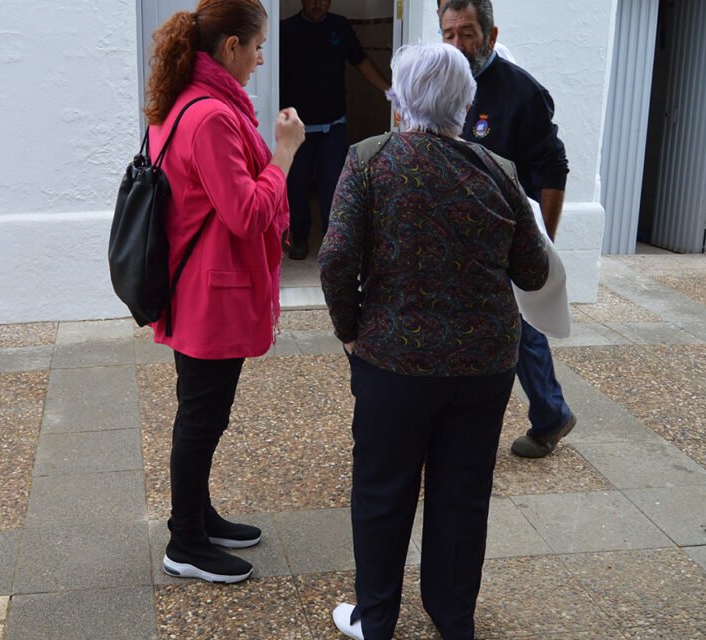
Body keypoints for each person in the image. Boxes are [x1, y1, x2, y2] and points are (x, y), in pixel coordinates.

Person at [319, 43, 550, 640]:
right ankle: (453, 620)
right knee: (463, 495)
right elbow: (533, 272)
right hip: (484, 365)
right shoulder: (499, 171)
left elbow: (336, 258)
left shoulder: (369, 161)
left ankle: (377, 619)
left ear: (399, 98)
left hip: (392, 361)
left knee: (382, 491)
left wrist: (350, 329)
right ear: (466, 102)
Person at [144, 0, 306, 584]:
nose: (261, 59)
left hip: (199, 286)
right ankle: (184, 542)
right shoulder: (211, 116)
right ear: (230, 47)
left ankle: (198, 516)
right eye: (257, 47)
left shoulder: (185, 103)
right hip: (209, 293)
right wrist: (284, 152)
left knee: (204, 414)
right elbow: (245, 213)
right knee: (200, 418)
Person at [440, 0, 576, 458]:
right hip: (457, 236)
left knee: (520, 325)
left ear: (491, 37)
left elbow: (554, 169)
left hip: (507, 235)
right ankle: (547, 414)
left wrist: (542, 243)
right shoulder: (444, 83)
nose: (457, 46)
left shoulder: (522, 93)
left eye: (468, 34)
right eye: (449, 34)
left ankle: (550, 416)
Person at [280, 0, 390, 260]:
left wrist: (390, 92)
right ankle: (299, 238)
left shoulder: (339, 27)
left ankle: (334, 244)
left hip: (334, 125)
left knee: (334, 186)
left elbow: (360, 61)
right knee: (297, 185)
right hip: (299, 127)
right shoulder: (288, 30)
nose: (318, 4)